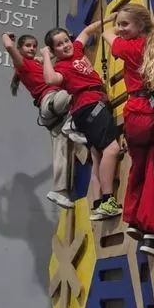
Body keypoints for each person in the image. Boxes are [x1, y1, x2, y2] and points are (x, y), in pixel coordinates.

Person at [100, 0, 154, 258]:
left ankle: (135, 219)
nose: (120, 29)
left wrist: (111, 22)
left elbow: (106, 34)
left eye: (126, 24)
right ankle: (152, 232)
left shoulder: (128, 48)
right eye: (120, 24)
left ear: (138, 26)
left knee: (138, 168)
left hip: (137, 113)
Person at [42, 21, 122, 221]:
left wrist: (112, 17)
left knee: (97, 156)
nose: (66, 45)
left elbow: (86, 31)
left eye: (66, 41)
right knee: (112, 149)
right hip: (89, 105)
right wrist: (45, 56)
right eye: (59, 45)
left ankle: (97, 204)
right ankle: (107, 200)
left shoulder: (77, 50)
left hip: (91, 106)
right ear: (53, 50)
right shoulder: (61, 66)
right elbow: (51, 80)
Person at [2, 32, 86, 210]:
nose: (32, 49)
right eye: (27, 46)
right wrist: (6, 35)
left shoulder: (36, 62)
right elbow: (8, 46)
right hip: (50, 101)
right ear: (20, 49)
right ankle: (72, 123)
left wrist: (65, 39)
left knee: (62, 149)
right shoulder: (22, 63)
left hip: (53, 112)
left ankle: (59, 191)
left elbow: (55, 53)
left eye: (34, 45)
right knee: (78, 86)